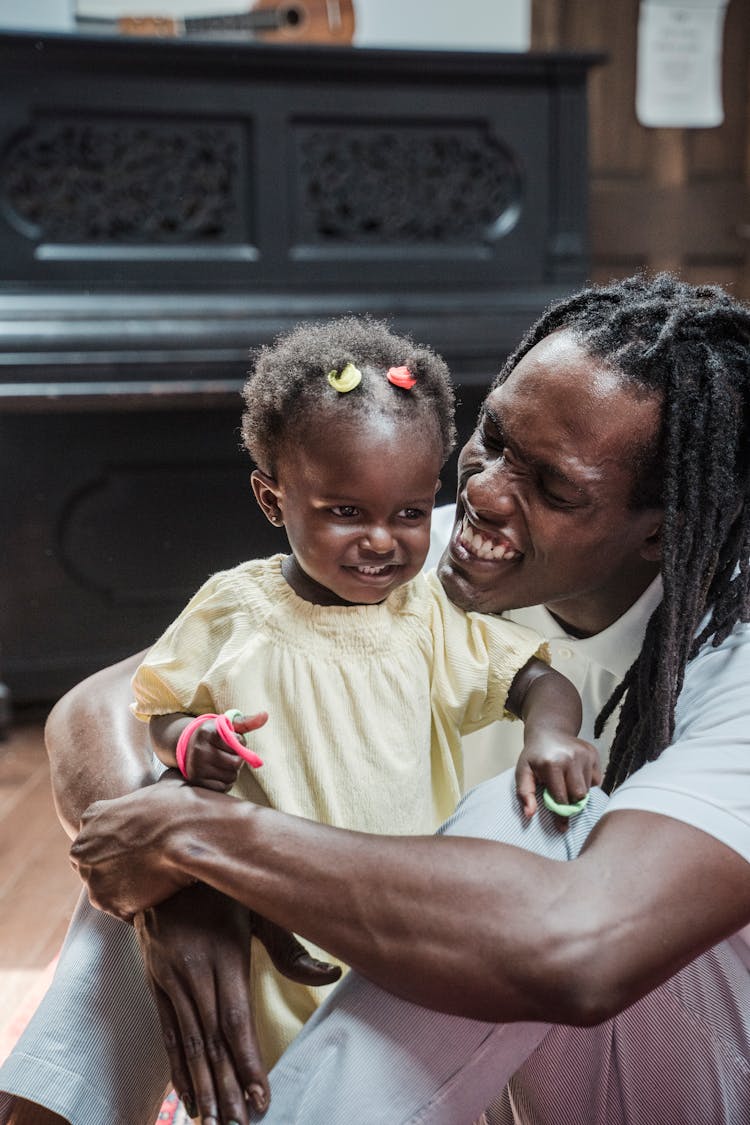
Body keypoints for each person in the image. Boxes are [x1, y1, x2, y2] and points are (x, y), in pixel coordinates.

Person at [2, 272, 749, 1125]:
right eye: (493, 438)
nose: (485, 493)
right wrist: (182, 873)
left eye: (553, 489)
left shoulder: (739, 651)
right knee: (170, 804)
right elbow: (101, 708)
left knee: (536, 831)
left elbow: (576, 950)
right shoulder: (406, 555)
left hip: (681, 1078)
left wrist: (206, 841)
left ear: (663, 529)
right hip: (484, 1060)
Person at [127, 315, 597, 1072]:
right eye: (346, 512)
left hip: (408, 913)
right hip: (275, 903)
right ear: (273, 499)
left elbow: (538, 680)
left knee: (396, 1065)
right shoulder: (234, 608)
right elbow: (158, 708)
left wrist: (549, 735)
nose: (383, 539)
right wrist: (189, 740)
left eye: (410, 513)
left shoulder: (431, 618)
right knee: (281, 1069)